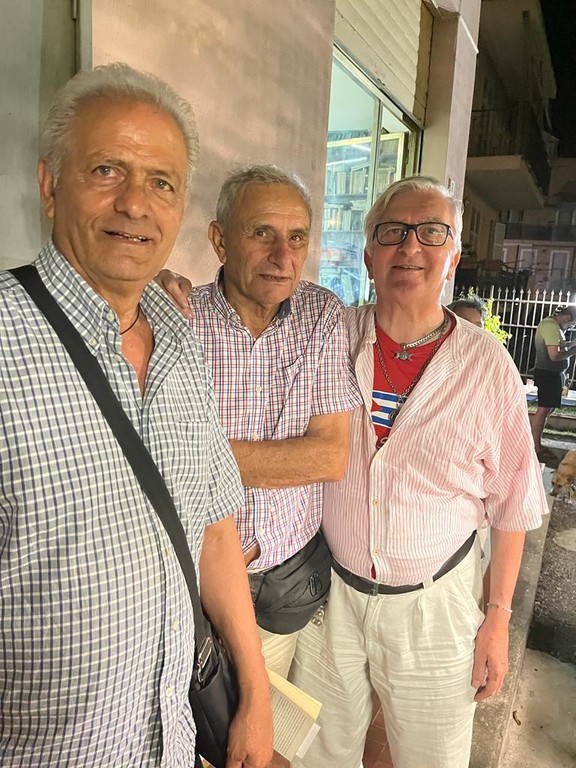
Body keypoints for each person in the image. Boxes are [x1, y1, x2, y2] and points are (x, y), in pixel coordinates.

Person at [0, 63, 272, 768]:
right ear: (49, 185)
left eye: (161, 183)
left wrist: (256, 692)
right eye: (105, 171)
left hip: (171, 743)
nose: (134, 204)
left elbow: (214, 528)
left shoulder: (181, 342)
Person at [289, 175, 548, 768]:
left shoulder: (488, 367)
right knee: (317, 756)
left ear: (453, 256)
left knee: (432, 758)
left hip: (437, 607)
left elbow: (513, 505)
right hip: (331, 596)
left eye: (432, 232)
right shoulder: (330, 337)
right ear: (368, 255)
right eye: (392, 232)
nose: (410, 246)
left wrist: (497, 620)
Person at [157, 165, 361, 679]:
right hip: (191, 579)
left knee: (266, 708)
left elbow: (329, 456)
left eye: (297, 238)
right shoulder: (176, 317)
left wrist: (198, 456)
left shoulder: (320, 314)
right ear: (219, 240)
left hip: (287, 576)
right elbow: (152, 459)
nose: (283, 256)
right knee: (187, 707)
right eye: (262, 233)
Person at [530, 305, 576, 463]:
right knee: (543, 410)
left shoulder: (553, 325)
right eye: (572, 324)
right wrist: (573, 351)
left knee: (547, 409)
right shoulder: (551, 326)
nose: (571, 327)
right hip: (548, 374)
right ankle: (535, 446)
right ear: (567, 318)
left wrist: (570, 344)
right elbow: (554, 355)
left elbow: (557, 345)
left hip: (552, 374)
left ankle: (533, 440)